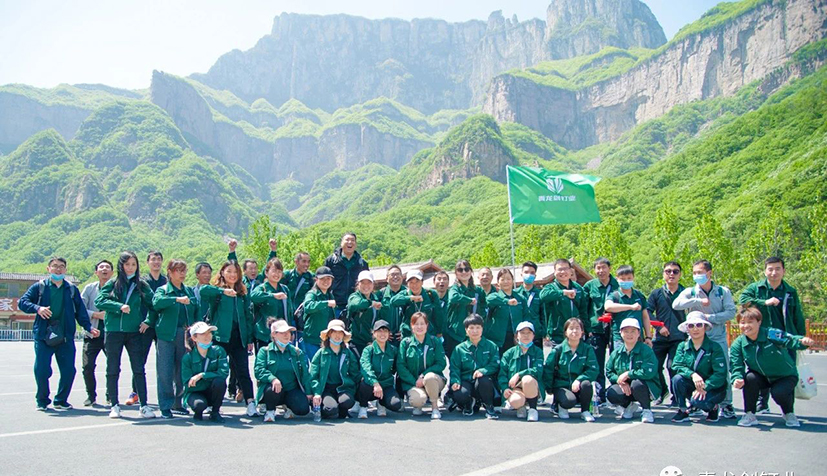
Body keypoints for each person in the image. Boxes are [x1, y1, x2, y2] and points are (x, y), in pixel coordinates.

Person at [19, 257, 98, 411]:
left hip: (65, 337)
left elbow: (80, 311)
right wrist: (38, 308)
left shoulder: (71, 289)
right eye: (55, 266)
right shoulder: (40, 287)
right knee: (42, 370)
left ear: (65, 270)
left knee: (69, 371)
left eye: (61, 266)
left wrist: (88, 327)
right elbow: (23, 302)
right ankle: (42, 401)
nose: (58, 269)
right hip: (44, 336)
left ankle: (61, 400)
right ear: (48, 269)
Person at [672, 260, 737, 419]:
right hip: (696, 338)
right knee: (694, 369)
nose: (697, 276)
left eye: (700, 273)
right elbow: (676, 304)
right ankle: (694, 402)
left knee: (722, 371)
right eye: (694, 273)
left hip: (717, 337)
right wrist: (697, 301)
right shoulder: (691, 292)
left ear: (709, 273)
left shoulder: (722, 292)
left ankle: (726, 404)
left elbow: (731, 312)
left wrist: (709, 318)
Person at [730, 306, 814, 428]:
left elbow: (789, 339)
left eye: (750, 322)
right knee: (749, 378)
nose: (746, 326)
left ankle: (789, 413)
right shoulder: (738, 343)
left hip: (785, 375)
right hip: (762, 377)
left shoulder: (771, 334)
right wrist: (737, 378)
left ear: (759, 322)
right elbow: (736, 364)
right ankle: (749, 414)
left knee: (779, 393)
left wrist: (802, 341)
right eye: (742, 323)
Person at [95, 251, 155, 419]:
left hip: (134, 332)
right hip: (113, 331)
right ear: (121, 266)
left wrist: (148, 321)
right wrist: (118, 306)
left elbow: (154, 305)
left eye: (133, 264)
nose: (130, 268)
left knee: (138, 369)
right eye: (127, 264)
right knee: (113, 369)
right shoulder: (113, 283)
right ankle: (114, 405)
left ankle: (144, 406)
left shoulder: (141, 285)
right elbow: (99, 301)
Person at [198, 260, 258, 417]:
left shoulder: (242, 293)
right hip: (220, 337)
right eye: (229, 271)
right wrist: (222, 291)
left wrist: (249, 338)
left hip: (239, 338)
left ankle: (250, 403)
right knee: (218, 371)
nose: (232, 275)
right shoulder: (216, 291)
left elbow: (248, 316)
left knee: (243, 371)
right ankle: (213, 404)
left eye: (235, 272)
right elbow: (203, 290)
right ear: (222, 273)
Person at [146, 259, 199, 418]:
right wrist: (175, 299)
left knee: (182, 370)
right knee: (165, 371)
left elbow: (196, 309)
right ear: (170, 272)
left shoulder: (188, 290)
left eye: (184, 270)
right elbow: (156, 303)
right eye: (178, 270)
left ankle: (178, 403)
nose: (182, 274)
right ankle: (165, 406)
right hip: (166, 335)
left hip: (185, 335)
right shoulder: (163, 290)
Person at [670, 312, 728, 423]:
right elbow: (677, 365)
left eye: (699, 325)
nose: (695, 329)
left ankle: (713, 408)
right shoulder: (682, 346)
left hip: (713, 388)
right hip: (693, 384)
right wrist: (692, 375)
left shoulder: (714, 347)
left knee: (698, 401)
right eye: (691, 326)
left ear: (705, 327)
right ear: (687, 328)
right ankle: (683, 410)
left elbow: (720, 373)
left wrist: (705, 387)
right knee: (677, 379)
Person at [254, 319, 312, 422]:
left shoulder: (297, 352)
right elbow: (259, 370)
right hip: (273, 389)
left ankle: (288, 406)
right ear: (274, 334)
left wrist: (308, 392)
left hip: (291, 389)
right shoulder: (265, 351)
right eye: (282, 332)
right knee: (272, 390)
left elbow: (304, 373)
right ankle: (270, 410)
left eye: (288, 332)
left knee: (303, 409)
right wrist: (273, 379)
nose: (287, 335)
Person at [128, 250, 166, 407]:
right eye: (153, 259)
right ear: (147, 263)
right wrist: (145, 321)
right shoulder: (142, 281)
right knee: (140, 360)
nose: (156, 262)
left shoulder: (166, 280)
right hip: (145, 325)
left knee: (164, 362)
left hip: (162, 325)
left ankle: (166, 394)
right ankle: (135, 392)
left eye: (158, 259)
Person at [605, 318, 661, 423]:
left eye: (633, 331)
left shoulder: (646, 350)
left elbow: (649, 372)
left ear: (639, 333)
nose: (629, 334)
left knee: (636, 384)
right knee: (612, 393)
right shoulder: (617, 353)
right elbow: (609, 371)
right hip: (626, 387)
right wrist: (620, 381)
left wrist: (628, 374)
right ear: (621, 333)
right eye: (626, 331)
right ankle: (628, 406)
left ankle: (646, 410)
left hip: (645, 386)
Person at [647, 261, 686, 406]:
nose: (671, 274)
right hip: (660, 337)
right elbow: (647, 312)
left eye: (675, 271)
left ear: (680, 274)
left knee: (673, 367)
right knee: (654, 366)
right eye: (668, 271)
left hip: (679, 337)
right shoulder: (657, 293)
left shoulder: (686, 293)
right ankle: (662, 391)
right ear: (663, 274)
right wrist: (659, 327)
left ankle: (677, 397)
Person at [544, 318, 599, 421]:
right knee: (569, 401)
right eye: (571, 328)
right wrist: (549, 389)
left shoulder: (587, 349)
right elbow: (548, 370)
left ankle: (585, 411)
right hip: (561, 386)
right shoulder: (558, 350)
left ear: (582, 331)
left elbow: (593, 370)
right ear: (565, 332)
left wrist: (579, 379)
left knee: (586, 384)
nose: (575, 331)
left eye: (577, 328)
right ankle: (560, 405)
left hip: (578, 387)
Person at [449, 314, 501, 419]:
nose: (475, 331)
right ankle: (468, 403)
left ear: (482, 329)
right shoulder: (459, 349)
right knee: (460, 394)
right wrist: (455, 381)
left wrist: (483, 371)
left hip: (484, 382)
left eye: (478, 327)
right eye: (471, 328)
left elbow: (495, 363)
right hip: (466, 380)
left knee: (484, 380)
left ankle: (489, 406)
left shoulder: (491, 346)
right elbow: (454, 368)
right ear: (466, 330)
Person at [397, 312, 446, 419]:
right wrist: (414, 381)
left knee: (429, 377)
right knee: (417, 400)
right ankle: (418, 405)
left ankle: (435, 407)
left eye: (422, 324)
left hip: (434, 381)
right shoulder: (405, 343)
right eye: (416, 324)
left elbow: (441, 363)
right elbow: (401, 366)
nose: (419, 327)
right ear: (411, 326)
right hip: (413, 382)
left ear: (427, 325)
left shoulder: (435, 341)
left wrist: (423, 375)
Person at [309, 319, 360, 420]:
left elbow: (354, 372)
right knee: (330, 409)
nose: (337, 335)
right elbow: (313, 375)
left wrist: (364, 380)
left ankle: (342, 409)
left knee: (347, 402)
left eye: (340, 333)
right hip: (326, 389)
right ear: (329, 334)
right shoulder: (321, 353)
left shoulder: (347, 353)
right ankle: (325, 407)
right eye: (334, 332)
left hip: (342, 387)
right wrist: (317, 392)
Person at [583, 257, 618, 404]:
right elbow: (584, 309)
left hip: (615, 329)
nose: (601, 271)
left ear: (610, 268)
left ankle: (617, 394)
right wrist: (587, 328)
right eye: (598, 268)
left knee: (616, 362)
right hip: (596, 329)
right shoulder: (589, 286)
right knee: (597, 363)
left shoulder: (618, 284)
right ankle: (600, 395)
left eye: (604, 267)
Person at [80, 259, 113, 407]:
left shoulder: (117, 289)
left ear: (112, 272)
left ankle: (110, 396)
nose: (104, 269)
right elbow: (80, 308)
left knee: (112, 366)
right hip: (91, 334)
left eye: (107, 267)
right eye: (101, 267)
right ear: (96, 272)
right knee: (88, 366)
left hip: (111, 334)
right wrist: (95, 314)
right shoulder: (89, 288)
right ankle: (91, 396)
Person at [182, 322, 229, 423]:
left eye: (209, 333)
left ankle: (215, 412)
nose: (207, 336)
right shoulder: (188, 358)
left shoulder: (219, 351)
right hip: (196, 392)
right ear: (194, 338)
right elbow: (188, 384)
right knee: (199, 405)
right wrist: (209, 378)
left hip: (211, 390)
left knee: (219, 382)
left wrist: (202, 375)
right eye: (203, 333)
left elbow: (223, 373)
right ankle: (198, 412)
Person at [356, 320, 403, 418]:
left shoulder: (393, 350)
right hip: (370, 384)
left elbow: (396, 367)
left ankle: (381, 404)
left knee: (395, 404)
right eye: (379, 331)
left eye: (385, 331)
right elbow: (365, 368)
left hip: (386, 384)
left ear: (389, 334)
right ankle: (363, 406)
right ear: (374, 333)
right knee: (364, 384)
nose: (382, 334)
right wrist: (375, 383)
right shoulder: (368, 350)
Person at [499, 321, 544, 422]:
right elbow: (502, 374)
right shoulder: (509, 353)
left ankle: (533, 409)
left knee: (527, 379)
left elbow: (538, 371)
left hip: (533, 386)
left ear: (533, 335)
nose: (526, 335)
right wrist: (505, 388)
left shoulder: (538, 352)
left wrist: (519, 374)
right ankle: (521, 407)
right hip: (516, 387)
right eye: (522, 333)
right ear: (517, 336)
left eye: (529, 333)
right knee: (515, 401)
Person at [540, 259, 588, 347]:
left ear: (570, 271)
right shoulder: (551, 287)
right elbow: (543, 296)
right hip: (558, 334)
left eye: (565, 269)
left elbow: (583, 311)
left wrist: (587, 329)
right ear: (555, 272)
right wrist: (563, 293)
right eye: (560, 269)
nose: (563, 272)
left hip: (575, 333)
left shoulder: (578, 288)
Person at [250, 258, 295, 352]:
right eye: (274, 271)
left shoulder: (284, 289)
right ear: (266, 273)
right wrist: (272, 296)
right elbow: (253, 296)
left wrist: (290, 330)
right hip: (264, 334)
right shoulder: (262, 288)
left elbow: (289, 312)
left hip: (281, 334)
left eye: (279, 271)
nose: (277, 274)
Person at [604, 265, 652, 351]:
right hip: (620, 338)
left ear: (633, 278)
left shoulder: (639, 295)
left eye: (629, 278)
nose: (626, 281)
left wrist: (648, 336)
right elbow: (608, 306)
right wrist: (630, 307)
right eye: (623, 279)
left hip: (638, 337)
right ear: (617, 279)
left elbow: (645, 316)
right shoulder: (614, 295)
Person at [445, 260, 484, 358]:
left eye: (466, 269)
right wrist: (469, 300)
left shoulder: (477, 290)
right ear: (456, 273)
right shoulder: (454, 289)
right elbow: (453, 297)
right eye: (460, 270)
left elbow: (484, 306)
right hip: (455, 335)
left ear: (471, 271)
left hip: (474, 335)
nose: (464, 272)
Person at [324, 232, 370, 316]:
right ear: (341, 243)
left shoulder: (362, 263)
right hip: (335, 305)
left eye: (352, 240)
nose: (350, 242)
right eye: (347, 240)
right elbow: (323, 280)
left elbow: (368, 283)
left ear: (356, 244)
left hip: (355, 305)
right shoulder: (331, 261)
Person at [485, 268, 528, 354]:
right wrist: (506, 301)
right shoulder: (495, 297)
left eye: (508, 279)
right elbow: (488, 300)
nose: (506, 282)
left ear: (513, 281)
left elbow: (526, 317)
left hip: (516, 337)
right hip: (498, 339)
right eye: (502, 279)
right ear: (498, 282)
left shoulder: (521, 298)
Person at [392, 270, 443, 338]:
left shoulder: (431, 294)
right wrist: (410, 298)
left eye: (417, 281)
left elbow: (438, 314)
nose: (414, 285)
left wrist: (439, 331)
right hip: (409, 335)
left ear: (422, 282)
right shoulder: (405, 294)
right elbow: (393, 301)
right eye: (411, 282)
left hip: (428, 335)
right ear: (407, 284)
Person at [302, 266, 337, 360]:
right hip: (312, 339)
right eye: (322, 279)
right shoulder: (312, 294)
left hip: (327, 340)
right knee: (315, 365)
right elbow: (308, 306)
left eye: (328, 278)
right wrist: (326, 303)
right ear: (316, 279)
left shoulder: (330, 295)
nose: (326, 281)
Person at [346, 270, 383, 355]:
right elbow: (356, 304)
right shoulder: (354, 297)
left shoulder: (376, 298)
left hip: (372, 342)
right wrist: (371, 303)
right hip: (356, 343)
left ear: (373, 284)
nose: (366, 286)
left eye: (369, 283)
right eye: (363, 283)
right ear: (358, 284)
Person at [514, 261, 544, 347]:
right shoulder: (515, 294)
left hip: (536, 334)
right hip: (519, 334)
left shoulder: (540, 294)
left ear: (535, 275)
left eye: (532, 273)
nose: (529, 275)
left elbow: (543, 315)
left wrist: (543, 331)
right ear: (521, 274)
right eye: (526, 272)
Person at [380, 265, 407, 342]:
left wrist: (406, 331)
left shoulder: (408, 293)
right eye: (392, 274)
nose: (395, 277)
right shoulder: (380, 295)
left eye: (398, 274)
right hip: (384, 339)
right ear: (387, 278)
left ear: (402, 277)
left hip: (405, 338)